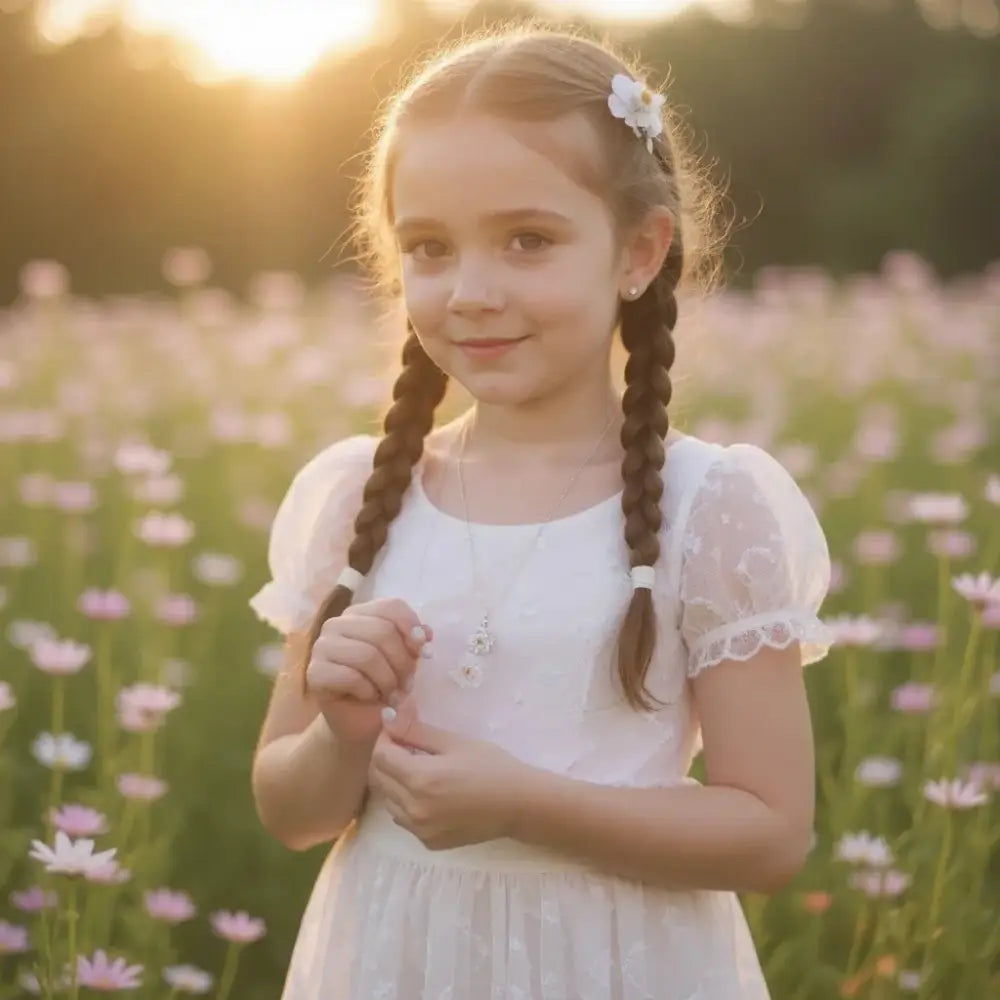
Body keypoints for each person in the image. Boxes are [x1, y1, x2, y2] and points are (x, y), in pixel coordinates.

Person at [249, 23, 833, 1000]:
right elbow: (291, 810)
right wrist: (339, 733)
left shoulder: (709, 505)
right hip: (395, 962)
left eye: (527, 239)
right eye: (429, 247)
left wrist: (524, 802)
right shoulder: (360, 496)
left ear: (638, 251)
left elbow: (770, 833)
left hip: (617, 965)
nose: (472, 291)